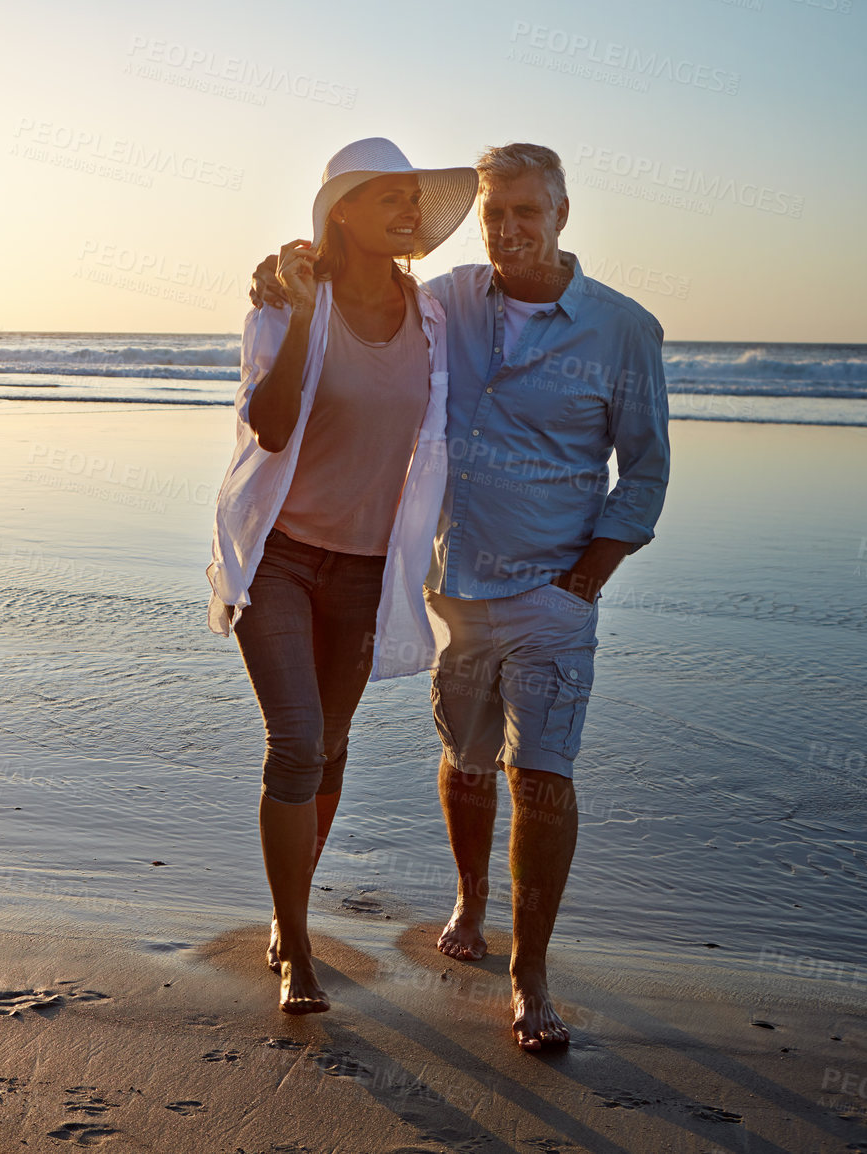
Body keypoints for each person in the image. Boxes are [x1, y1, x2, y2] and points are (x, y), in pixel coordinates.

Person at [250, 142, 671, 1049]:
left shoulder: (623, 329)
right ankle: (468, 906)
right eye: (496, 214)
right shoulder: (444, 302)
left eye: (528, 210)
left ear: (562, 213)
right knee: (465, 762)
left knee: (544, 778)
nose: (511, 228)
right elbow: (350, 290)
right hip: (451, 586)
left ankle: (531, 979)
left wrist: (586, 579)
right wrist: (286, 272)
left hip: (553, 593)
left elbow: (643, 474)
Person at [208, 137, 478, 1014]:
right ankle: (296, 949)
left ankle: (289, 915)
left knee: (329, 745)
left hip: (367, 569)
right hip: (280, 557)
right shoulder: (286, 306)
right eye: (390, 196)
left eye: (414, 197)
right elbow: (271, 426)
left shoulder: (432, 314)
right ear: (342, 213)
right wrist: (292, 309)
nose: (409, 211)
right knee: (294, 743)